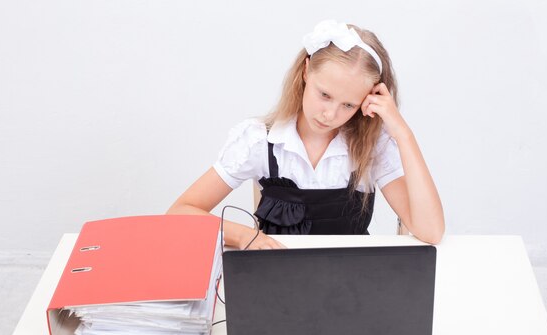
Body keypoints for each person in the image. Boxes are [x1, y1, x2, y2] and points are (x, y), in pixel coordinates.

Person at [167, 20, 444, 249]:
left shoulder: (371, 146)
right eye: (324, 95)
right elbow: (180, 214)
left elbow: (430, 231)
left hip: (351, 289)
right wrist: (244, 236)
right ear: (306, 71)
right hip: (277, 286)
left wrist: (402, 133)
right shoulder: (258, 141)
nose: (330, 115)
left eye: (348, 105)